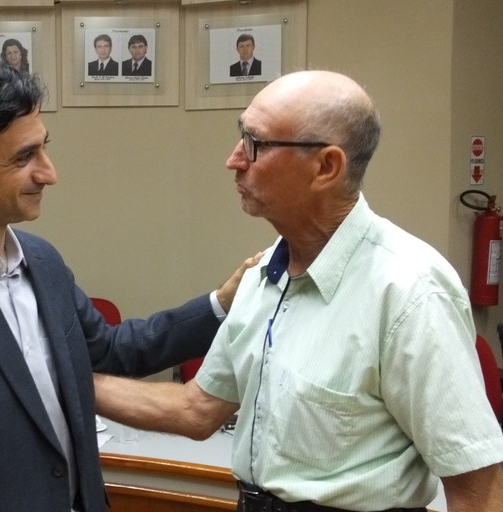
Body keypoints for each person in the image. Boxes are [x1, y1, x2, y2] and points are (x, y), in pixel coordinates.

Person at [0, 57, 256, 512]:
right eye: (23, 157)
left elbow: (111, 351)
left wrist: (222, 302)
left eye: (43, 148)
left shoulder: (41, 260)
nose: (49, 173)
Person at [94, 70, 503, 511]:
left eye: (255, 143)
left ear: (326, 167)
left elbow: (477, 490)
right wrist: (61, 377)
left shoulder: (410, 291)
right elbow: (198, 409)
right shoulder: (263, 275)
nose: (234, 159)